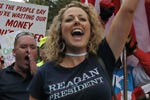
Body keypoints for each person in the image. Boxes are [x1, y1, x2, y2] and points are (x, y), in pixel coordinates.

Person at [28, 0, 139, 100]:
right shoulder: (44, 73)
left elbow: (128, 10)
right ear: (60, 31)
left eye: (82, 19)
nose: (77, 21)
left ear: (91, 29)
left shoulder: (103, 56)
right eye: (69, 19)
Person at [0, 31, 38, 100]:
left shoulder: (46, 76)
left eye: (33, 47)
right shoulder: (2, 77)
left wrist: (38, 76)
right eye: (23, 47)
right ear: (14, 52)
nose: (28, 50)